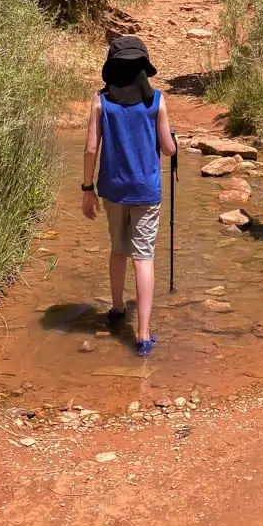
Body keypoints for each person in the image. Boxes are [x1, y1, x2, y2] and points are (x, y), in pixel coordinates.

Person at [81, 35, 176, 356]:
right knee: (143, 255)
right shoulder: (157, 101)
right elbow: (168, 148)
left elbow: (91, 149)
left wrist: (86, 189)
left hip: (113, 189)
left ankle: (118, 307)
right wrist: (173, 142)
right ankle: (144, 334)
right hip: (146, 191)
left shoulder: (100, 102)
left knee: (118, 248)